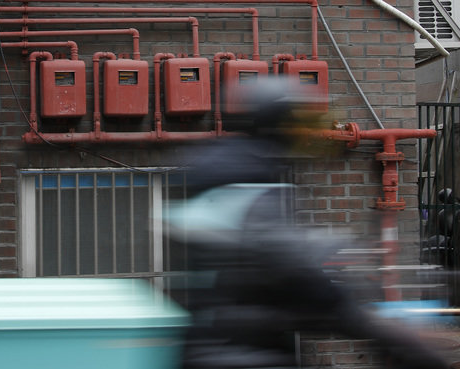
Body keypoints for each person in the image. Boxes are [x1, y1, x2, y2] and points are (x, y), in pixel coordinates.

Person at [166, 77, 449, 369]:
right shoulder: (249, 184)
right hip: (243, 355)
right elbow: (293, 268)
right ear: (279, 124)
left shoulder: (227, 176)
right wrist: (380, 329)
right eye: (299, 122)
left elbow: (263, 258)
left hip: (216, 345)